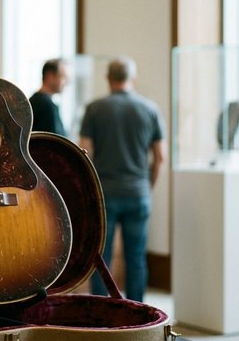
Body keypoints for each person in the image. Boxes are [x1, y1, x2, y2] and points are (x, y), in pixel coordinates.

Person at [79, 57, 165, 302]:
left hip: (104, 194)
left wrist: (87, 191)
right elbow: (160, 157)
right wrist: (148, 187)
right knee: (136, 257)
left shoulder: (94, 109)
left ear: (108, 78)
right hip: (138, 193)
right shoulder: (150, 109)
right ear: (133, 79)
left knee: (101, 259)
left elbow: (85, 152)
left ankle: (99, 310)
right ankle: (137, 310)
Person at [29, 58, 69, 136]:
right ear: (50, 76)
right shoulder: (46, 106)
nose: (66, 82)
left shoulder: (34, 101)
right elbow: (56, 141)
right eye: (63, 77)